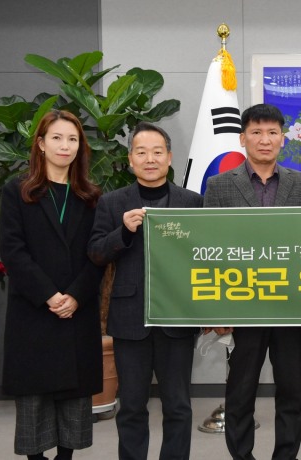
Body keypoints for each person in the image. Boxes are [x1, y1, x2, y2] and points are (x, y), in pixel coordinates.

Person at [204, 103, 301, 460]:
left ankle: (286, 455)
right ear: (243, 138)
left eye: (271, 132)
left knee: (293, 394)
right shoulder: (220, 186)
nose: (264, 140)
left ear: (283, 138)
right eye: (256, 132)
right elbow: (211, 249)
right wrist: (216, 309)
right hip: (242, 306)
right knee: (239, 393)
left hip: (290, 308)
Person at [88, 122, 203, 460]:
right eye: (141, 152)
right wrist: (122, 232)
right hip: (129, 320)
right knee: (132, 406)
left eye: (157, 152)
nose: (149, 159)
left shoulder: (192, 202)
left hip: (178, 317)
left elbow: (205, 257)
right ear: (130, 159)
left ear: (169, 157)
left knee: (178, 405)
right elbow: (95, 252)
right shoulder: (112, 203)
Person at [0, 110, 103, 460]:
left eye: (72, 139)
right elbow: (13, 252)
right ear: (41, 144)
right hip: (34, 312)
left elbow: (97, 254)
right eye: (57, 138)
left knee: (73, 402)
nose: (65, 146)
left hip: (77, 310)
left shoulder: (90, 195)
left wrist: (75, 295)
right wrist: (50, 296)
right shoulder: (17, 190)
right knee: (35, 401)